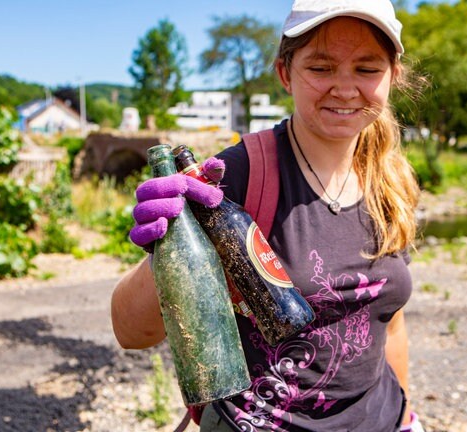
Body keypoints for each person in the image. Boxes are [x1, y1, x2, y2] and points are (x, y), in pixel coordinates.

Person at [111, 0, 425, 430]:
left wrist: (405, 419)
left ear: (392, 76)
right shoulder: (235, 176)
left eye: (367, 69)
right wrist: (165, 247)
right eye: (321, 67)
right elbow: (132, 333)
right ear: (285, 73)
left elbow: (387, 324)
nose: (346, 87)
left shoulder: (390, 176)